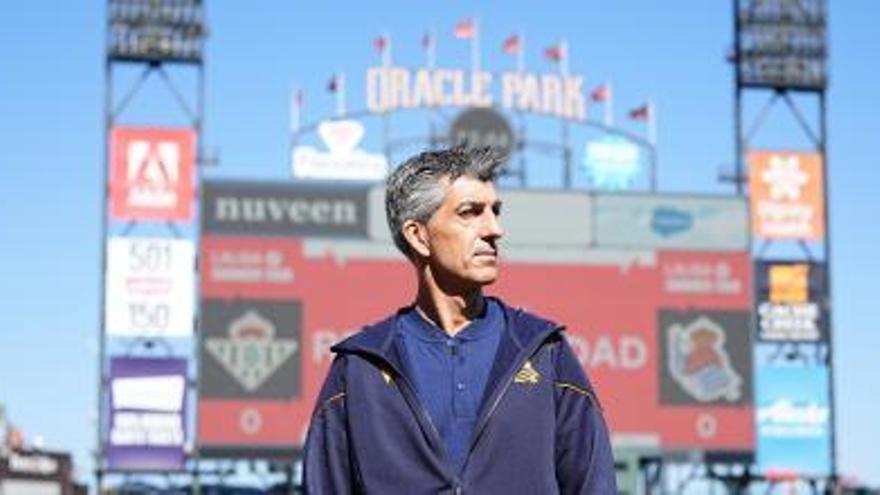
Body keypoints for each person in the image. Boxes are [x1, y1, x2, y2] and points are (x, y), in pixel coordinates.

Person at [303, 146, 617, 494]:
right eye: (471, 212)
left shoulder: (546, 352)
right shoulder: (358, 368)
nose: (494, 229)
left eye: (495, 212)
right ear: (418, 236)